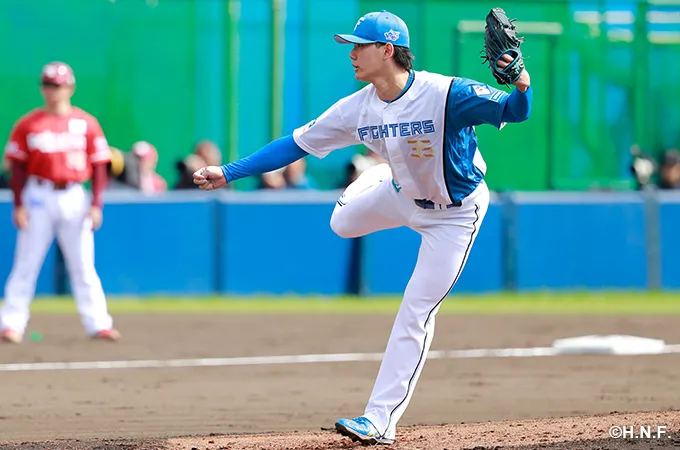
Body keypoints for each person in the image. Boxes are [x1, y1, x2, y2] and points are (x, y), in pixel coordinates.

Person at [193, 10, 532, 445]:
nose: (351, 54)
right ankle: (382, 172)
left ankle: (379, 420)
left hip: (454, 214)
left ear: (387, 50)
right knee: (341, 223)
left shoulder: (446, 93)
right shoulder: (357, 108)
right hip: (400, 193)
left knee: (416, 311)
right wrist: (229, 171)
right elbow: (294, 145)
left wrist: (521, 81)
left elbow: (516, 111)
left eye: (359, 46)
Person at [0, 61, 120, 344]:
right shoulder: (29, 124)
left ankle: (98, 324)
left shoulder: (86, 123)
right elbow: (17, 167)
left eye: (58, 85)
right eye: (48, 85)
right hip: (38, 194)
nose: (53, 90)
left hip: (74, 194)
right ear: (42, 88)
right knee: (26, 263)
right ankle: (10, 324)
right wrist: (19, 204)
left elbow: (99, 166)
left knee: (83, 265)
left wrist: (97, 203)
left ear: (70, 87)